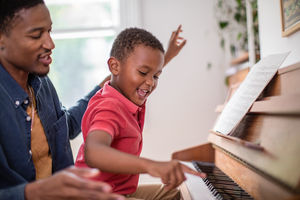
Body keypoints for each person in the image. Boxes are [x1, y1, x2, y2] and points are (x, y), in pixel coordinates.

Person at [0, 0, 186, 199]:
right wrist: (37, 192)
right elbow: (95, 150)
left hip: (78, 194)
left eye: (49, 31)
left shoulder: (41, 84)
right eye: (36, 35)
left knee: (177, 194)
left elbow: (68, 125)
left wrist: (162, 60)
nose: (50, 44)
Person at [75, 27, 205, 200]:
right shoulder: (109, 107)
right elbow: (94, 152)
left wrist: (169, 55)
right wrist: (152, 166)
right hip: (93, 196)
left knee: (177, 194)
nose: (150, 82)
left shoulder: (128, 94)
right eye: (144, 73)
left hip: (116, 191)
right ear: (114, 66)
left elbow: (143, 69)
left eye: (156, 76)